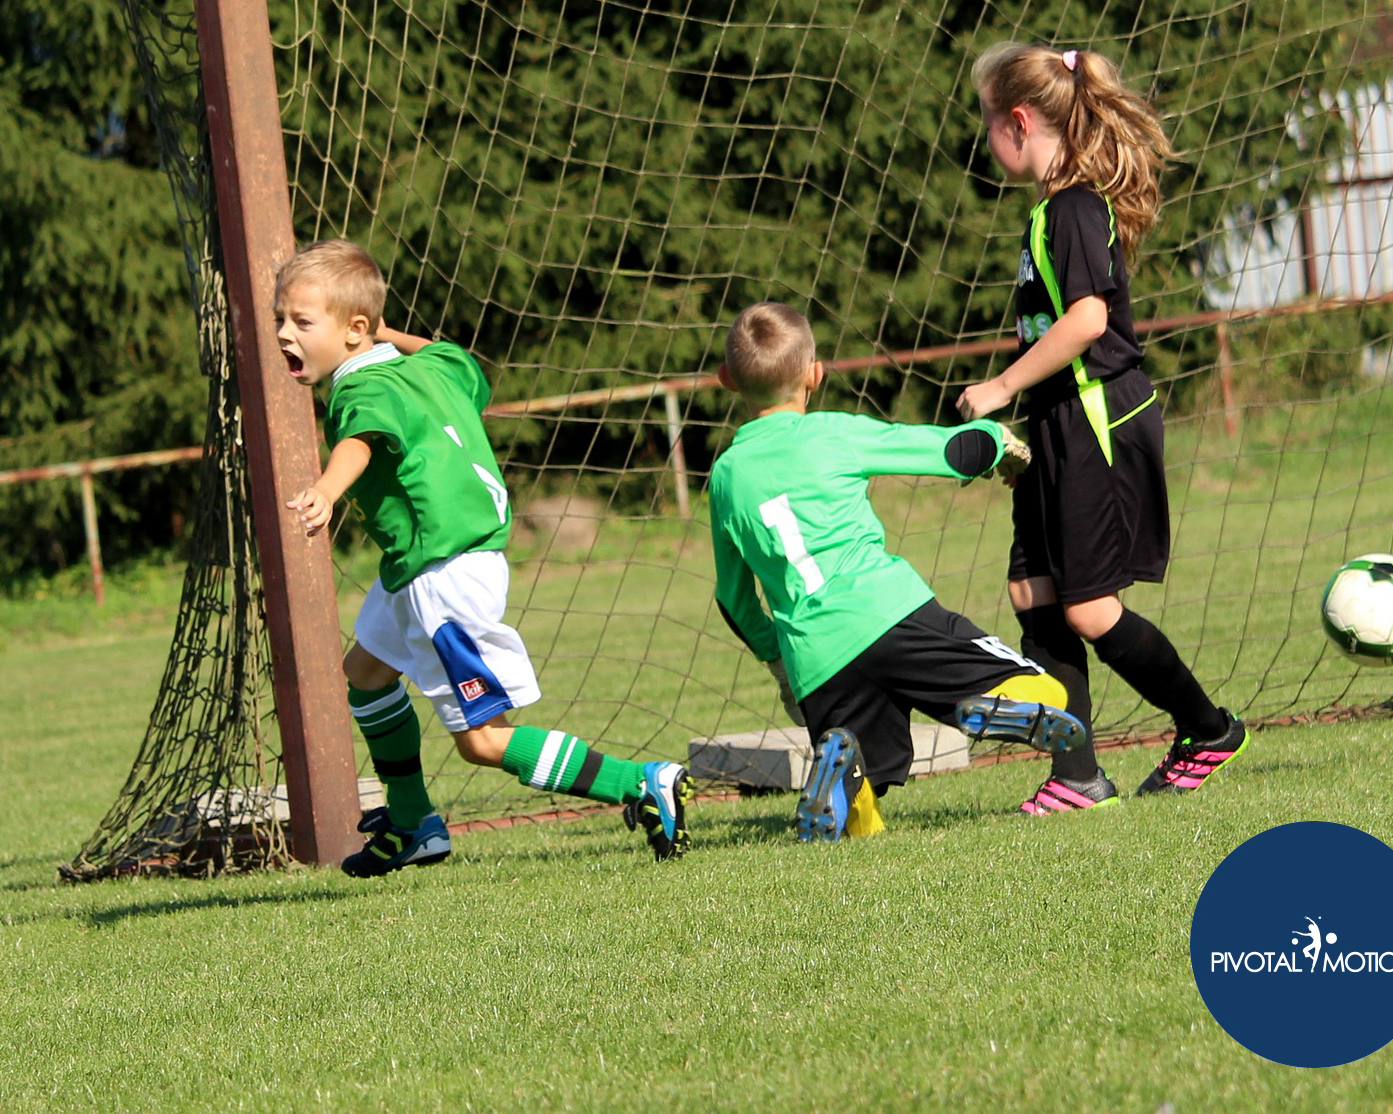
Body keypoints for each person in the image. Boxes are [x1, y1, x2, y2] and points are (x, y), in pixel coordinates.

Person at [276, 239, 692, 876]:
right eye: (282, 319)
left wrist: (327, 491)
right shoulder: (433, 368)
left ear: (354, 332)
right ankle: (415, 823)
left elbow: (358, 443)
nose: (284, 334)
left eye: (302, 322)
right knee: (364, 673)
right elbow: (458, 358)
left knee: (481, 740)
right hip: (426, 564)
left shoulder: (359, 390)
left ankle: (640, 783)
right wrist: (385, 330)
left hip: (444, 577)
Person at [957, 42, 1249, 815]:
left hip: (1101, 421)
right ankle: (1077, 775)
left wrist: (1001, 386)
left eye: (987, 123)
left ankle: (1207, 728)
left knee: (1088, 608)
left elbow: (1088, 319)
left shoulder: (1076, 208)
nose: (986, 140)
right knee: (1033, 590)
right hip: (1058, 425)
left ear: (1019, 121)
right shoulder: (1051, 211)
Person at [709, 302, 1088, 840]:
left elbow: (733, 597)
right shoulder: (831, 434)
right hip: (893, 616)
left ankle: (843, 770)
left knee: (859, 803)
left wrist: (778, 661)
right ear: (815, 375)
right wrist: (997, 445)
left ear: (727, 380)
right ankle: (989, 706)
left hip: (815, 658)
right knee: (1048, 692)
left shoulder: (725, 477)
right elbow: (942, 450)